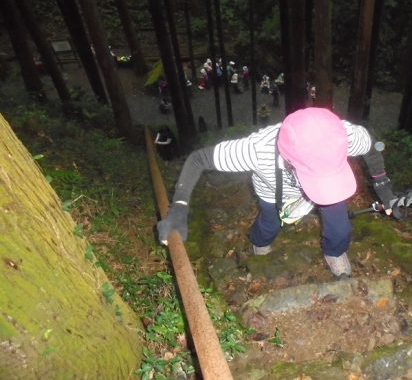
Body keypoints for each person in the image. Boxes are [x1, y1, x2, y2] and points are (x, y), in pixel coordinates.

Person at [157, 107, 398, 279]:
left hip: (329, 184)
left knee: (341, 227)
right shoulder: (256, 150)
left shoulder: (340, 136)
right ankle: (260, 243)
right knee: (269, 224)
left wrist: (384, 188)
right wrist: (179, 207)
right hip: (272, 191)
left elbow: (373, 146)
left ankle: (334, 252)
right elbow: (198, 159)